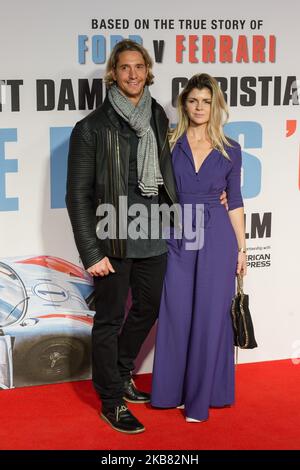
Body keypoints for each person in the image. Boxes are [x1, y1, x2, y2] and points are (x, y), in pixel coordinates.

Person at [66, 41, 227, 434]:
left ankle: (121, 374)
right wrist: (91, 252)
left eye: (139, 67)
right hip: (112, 237)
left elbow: (177, 166)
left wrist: (215, 189)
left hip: (154, 233)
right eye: (125, 68)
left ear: (148, 71)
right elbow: (77, 195)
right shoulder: (91, 127)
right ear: (113, 74)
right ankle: (110, 400)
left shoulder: (156, 114)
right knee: (109, 319)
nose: (133, 74)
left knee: (149, 310)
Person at [151, 73, 247, 423]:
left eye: (206, 101)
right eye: (193, 101)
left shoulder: (230, 149)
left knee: (209, 316)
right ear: (184, 104)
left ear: (215, 105)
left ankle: (200, 399)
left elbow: (234, 201)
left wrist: (242, 248)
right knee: (176, 313)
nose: (199, 107)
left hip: (217, 236)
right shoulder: (168, 143)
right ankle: (170, 393)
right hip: (176, 233)